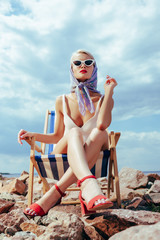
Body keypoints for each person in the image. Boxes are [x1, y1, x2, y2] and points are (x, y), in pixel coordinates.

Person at [18, 49, 117, 217]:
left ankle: (54, 193)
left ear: (95, 68)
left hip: (95, 145)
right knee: (74, 133)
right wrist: (32, 134)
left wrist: (109, 93)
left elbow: (102, 124)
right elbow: (56, 137)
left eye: (88, 63)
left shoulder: (104, 99)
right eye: (77, 63)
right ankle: (89, 186)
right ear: (71, 68)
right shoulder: (62, 100)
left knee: (100, 132)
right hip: (68, 149)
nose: (83, 66)